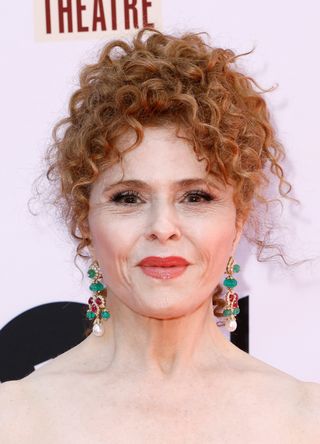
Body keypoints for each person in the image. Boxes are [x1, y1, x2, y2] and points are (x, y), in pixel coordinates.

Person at [0, 28, 319, 443]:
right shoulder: (15, 418)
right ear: (84, 220)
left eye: (196, 196)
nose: (163, 228)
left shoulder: (306, 419)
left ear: (238, 220)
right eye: (129, 197)